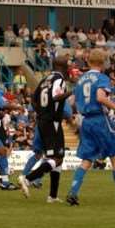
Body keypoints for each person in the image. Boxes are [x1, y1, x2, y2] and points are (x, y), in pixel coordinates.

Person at [66, 49, 115, 206]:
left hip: (85, 121)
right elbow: (100, 97)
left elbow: (72, 101)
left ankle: (73, 192)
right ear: (102, 63)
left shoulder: (81, 80)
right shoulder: (102, 78)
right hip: (100, 120)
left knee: (87, 159)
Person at [18, 56, 71, 202]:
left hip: (43, 121)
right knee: (58, 158)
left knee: (55, 158)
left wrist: (41, 113)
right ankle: (28, 178)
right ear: (63, 67)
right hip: (52, 121)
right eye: (67, 66)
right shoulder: (59, 80)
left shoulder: (44, 80)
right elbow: (56, 97)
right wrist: (72, 92)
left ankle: (52, 196)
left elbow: (33, 100)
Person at [0, 110, 18, 190]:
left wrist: (6, 143)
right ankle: (3, 181)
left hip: (0, 143)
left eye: (4, 112)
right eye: (2, 112)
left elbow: (2, 134)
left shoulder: (0, 121)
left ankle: (1, 180)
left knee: (2, 158)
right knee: (3, 158)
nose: (4, 113)